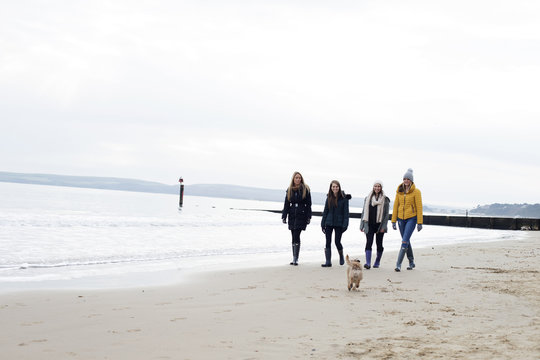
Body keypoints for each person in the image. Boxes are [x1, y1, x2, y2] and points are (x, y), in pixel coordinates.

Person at [391, 168, 423, 272]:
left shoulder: (416, 192)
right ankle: (411, 262)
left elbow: (419, 207)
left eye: (408, 179)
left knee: (404, 241)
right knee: (407, 240)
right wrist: (393, 220)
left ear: (411, 180)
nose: (406, 181)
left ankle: (398, 264)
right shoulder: (399, 191)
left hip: (411, 219)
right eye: (404, 179)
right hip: (401, 219)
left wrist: (419, 222)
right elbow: (396, 206)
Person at [281, 171, 312, 266]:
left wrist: (308, 216)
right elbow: (286, 203)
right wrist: (284, 215)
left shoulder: (305, 189)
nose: (298, 179)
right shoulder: (289, 189)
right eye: (296, 178)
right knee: (292, 235)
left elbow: (309, 204)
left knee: (296, 235)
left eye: (299, 178)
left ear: (301, 179)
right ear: (293, 179)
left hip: (301, 214)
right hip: (292, 215)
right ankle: (294, 257)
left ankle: (295, 258)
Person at [360, 180, 390, 269]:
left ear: (381, 188)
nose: (377, 188)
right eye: (375, 186)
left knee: (379, 244)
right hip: (369, 224)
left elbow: (386, 214)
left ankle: (377, 261)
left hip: (380, 225)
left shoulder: (385, 199)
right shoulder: (368, 198)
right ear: (373, 187)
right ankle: (368, 263)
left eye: (379, 186)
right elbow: (363, 212)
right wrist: (362, 225)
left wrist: (384, 226)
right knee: (369, 242)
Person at [321, 180, 350, 267]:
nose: (335, 188)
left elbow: (346, 213)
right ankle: (328, 261)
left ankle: (341, 255)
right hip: (329, 222)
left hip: (339, 223)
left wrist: (345, 224)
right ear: (331, 188)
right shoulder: (329, 197)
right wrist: (323, 223)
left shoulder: (344, 199)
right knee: (328, 241)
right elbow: (325, 211)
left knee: (337, 241)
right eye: (333, 187)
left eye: (336, 186)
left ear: (339, 187)